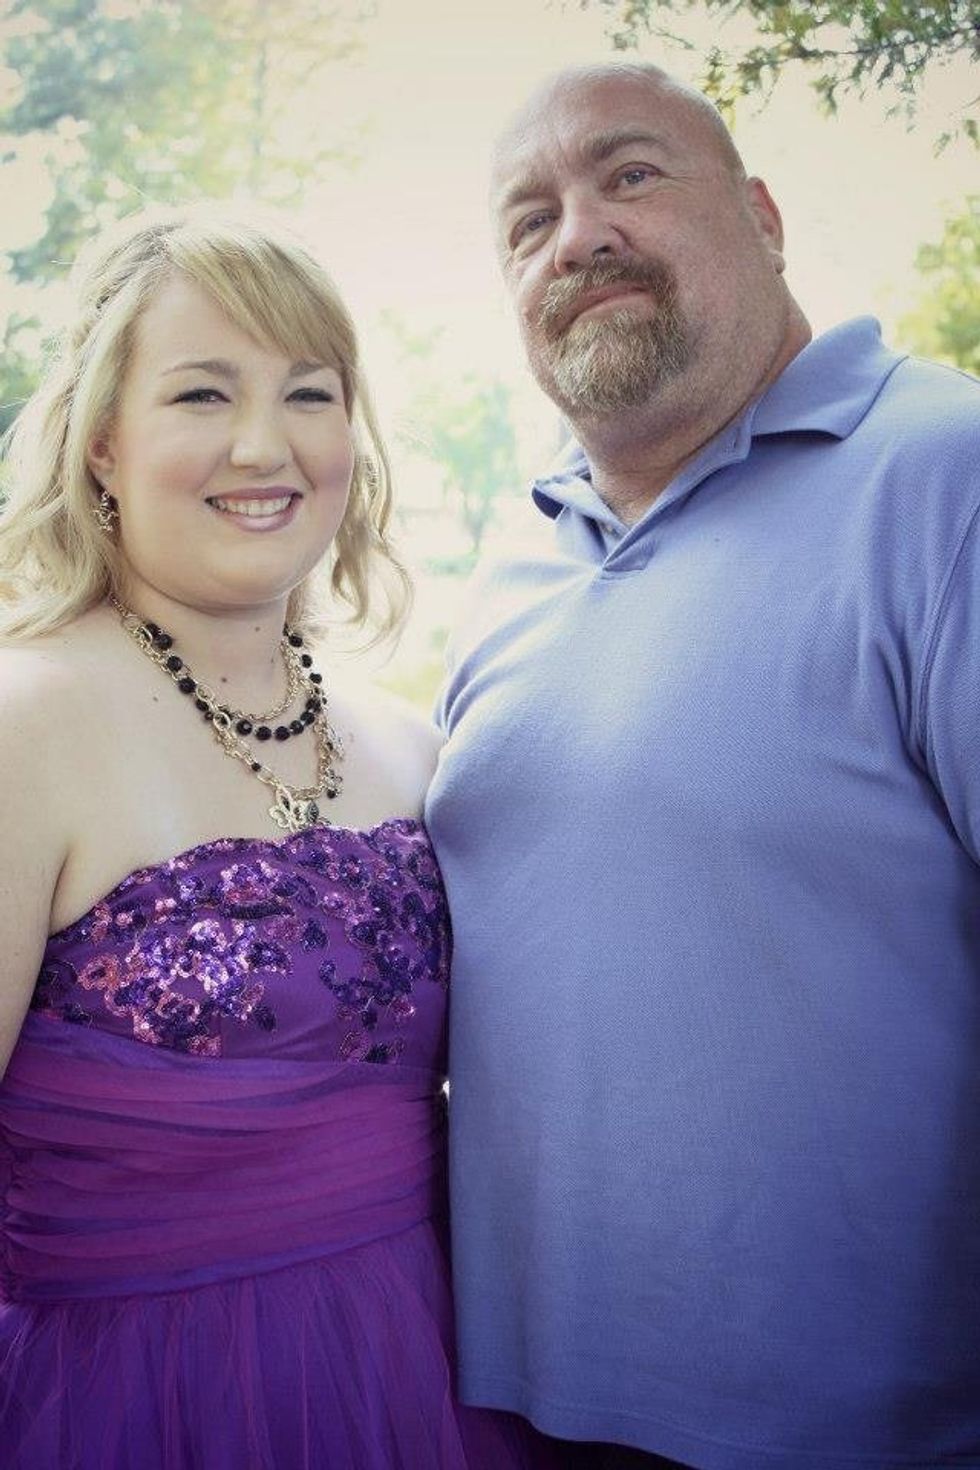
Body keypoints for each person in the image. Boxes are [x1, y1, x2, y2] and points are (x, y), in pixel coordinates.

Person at [425, 61, 980, 1470]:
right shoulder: (505, 566)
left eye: (630, 175)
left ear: (766, 219)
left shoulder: (946, 473)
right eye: (528, 220)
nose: (578, 235)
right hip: (510, 1414)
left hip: (865, 1431)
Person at [0, 205, 552, 1470]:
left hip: (426, 1376)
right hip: (130, 1400)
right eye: (202, 393)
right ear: (102, 443)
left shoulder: (412, 750)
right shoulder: (23, 727)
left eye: (309, 393)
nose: (265, 445)